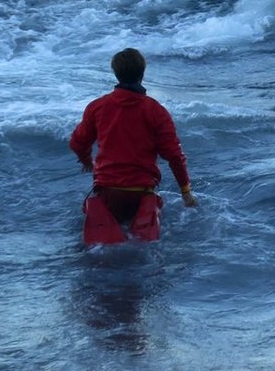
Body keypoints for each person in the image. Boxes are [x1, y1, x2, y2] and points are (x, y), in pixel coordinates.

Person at [70, 48, 197, 244]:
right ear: (142, 73)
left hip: (107, 192)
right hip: (142, 193)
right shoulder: (156, 111)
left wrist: (87, 161)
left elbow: (77, 142)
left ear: (116, 73)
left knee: (99, 249)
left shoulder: (97, 107)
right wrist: (185, 192)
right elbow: (174, 155)